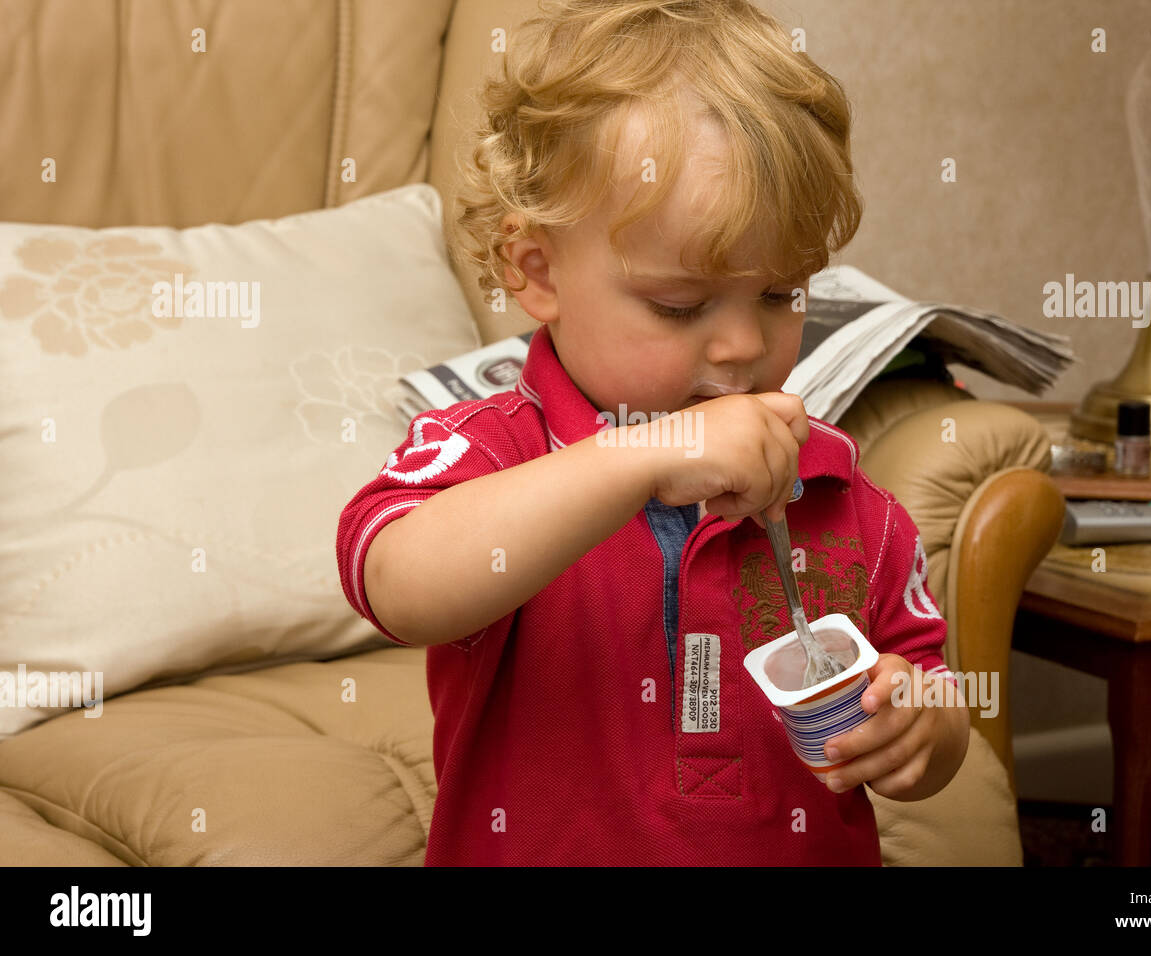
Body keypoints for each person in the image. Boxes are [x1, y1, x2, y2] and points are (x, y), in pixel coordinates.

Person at [336, 0, 969, 865]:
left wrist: (924, 730)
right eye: (681, 304)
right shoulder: (492, 454)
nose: (744, 345)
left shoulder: (844, 496)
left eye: (780, 294)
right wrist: (638, 455)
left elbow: (926, 681)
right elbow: (398, 583)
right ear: (539, 271)